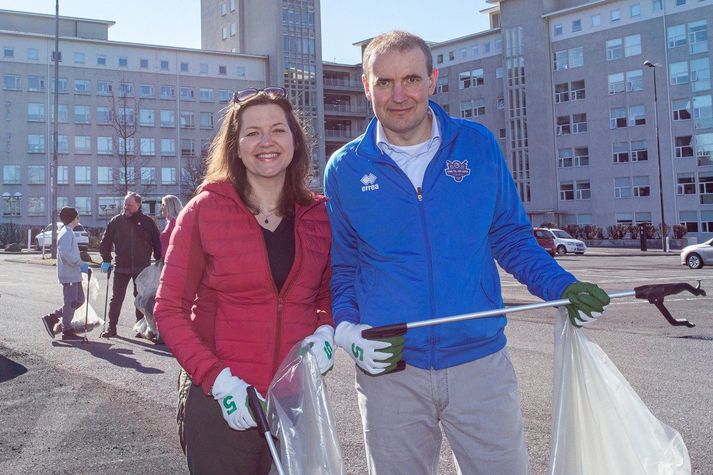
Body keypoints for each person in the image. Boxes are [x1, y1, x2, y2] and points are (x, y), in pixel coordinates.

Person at [323, 31, 610, 475]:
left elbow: (512, 238)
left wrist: (564, 287)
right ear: (366, 86)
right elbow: (343, 267)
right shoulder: (344, 168)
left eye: (412, 79)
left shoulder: (477, 146)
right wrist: (347, 329)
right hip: (391, 370)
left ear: (433, 80)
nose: (399, 95)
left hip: (480, 364)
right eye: (384, 82)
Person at [154, 86, 335, 474]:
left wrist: (326, 331)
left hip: (295, 398)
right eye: (252, 133)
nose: (265, 142)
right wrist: (217, 379)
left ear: (295, 141)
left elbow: (328, 292)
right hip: (223, 400)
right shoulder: (204, 211)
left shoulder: (319, 215)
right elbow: (168, 310)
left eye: (277, 130)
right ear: (235, 147)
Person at [99, 191, 162, 338]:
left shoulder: (147, 222)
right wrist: (106, 259)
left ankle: (141, 328)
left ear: (138, 205)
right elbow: (105, 242)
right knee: (117, 298)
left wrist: (159, 261)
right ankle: (111, 327)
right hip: (121, 266)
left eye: (130, 205)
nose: (126, 207)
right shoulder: (116, 221)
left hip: (142, 267)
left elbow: (157, 243)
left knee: (141, 298)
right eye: (125, 204)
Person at [40, 207, 90, 341]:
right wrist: (80, 263)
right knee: (72, 302)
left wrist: (81, 262)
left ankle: (53, 317)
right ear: (73, 219)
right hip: (69, 275)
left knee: (79, 300)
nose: (78, 219)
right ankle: (66, 330)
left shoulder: (68, 232)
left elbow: (70, 252)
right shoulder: (66, 233)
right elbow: (66, 253)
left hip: (74, 274)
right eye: (77, 217)